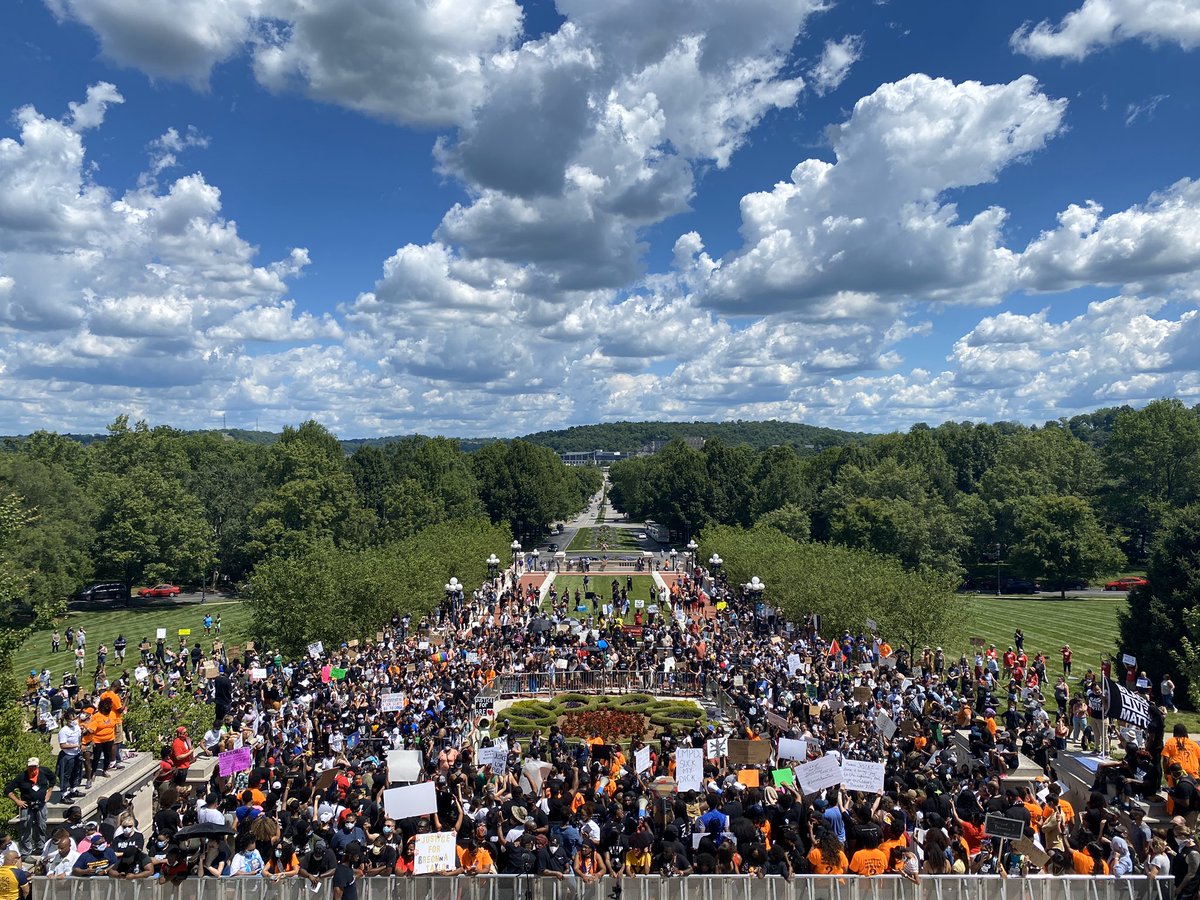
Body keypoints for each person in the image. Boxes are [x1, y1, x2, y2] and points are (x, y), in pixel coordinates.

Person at [5, 758, 54, 857]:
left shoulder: (45, 772)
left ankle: (41, 848)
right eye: (30, 767)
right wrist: (17, 801)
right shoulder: (22, 777)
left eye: (34, 767)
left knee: (41, 826)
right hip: (27, 805)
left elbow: (53, 779)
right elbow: (8, 790)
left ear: (38, 766)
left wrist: (49, 792)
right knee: (25, 827)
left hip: (41, 804)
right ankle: (26, 851)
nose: (32, 769)